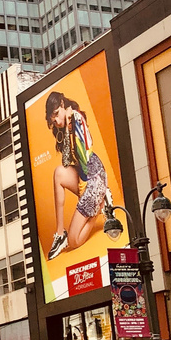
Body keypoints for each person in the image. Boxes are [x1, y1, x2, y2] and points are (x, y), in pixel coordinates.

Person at [44, 91, 111, 262]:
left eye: (57, 115)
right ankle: (60, 235)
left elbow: (86, 149)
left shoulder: (77, 118)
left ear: (61, 104)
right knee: (59, 172)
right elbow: (66, 160)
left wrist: (71, 120)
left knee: (74, 241)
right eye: (53, 120)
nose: (57, 122)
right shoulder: (65, 127)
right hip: (82, 176)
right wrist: (65, 129)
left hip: (94, 178)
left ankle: (102, 201)